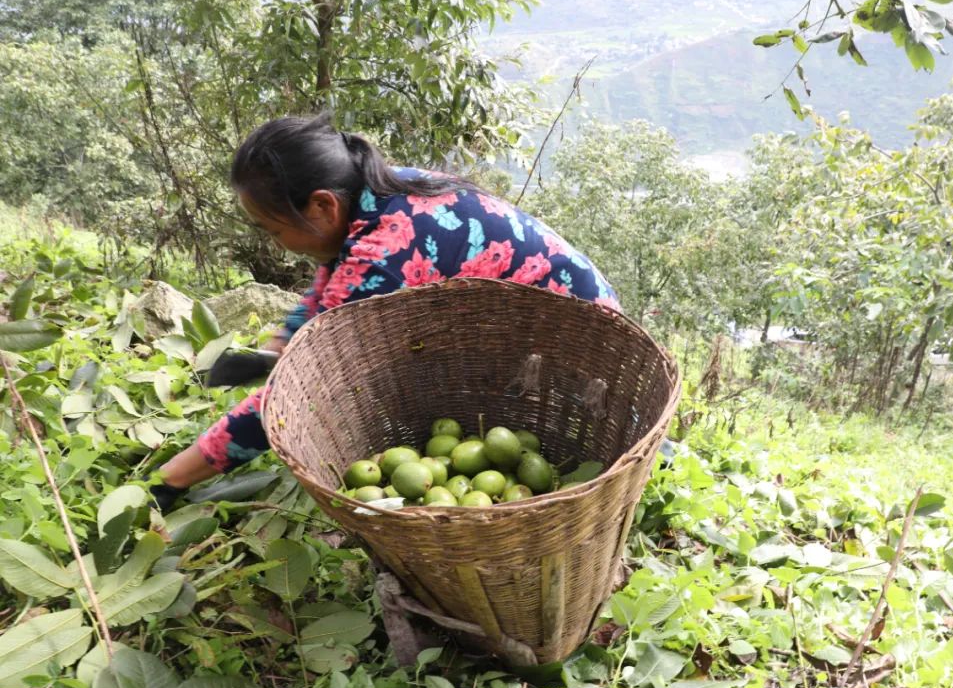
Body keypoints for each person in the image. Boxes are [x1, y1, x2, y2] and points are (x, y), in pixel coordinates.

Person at [146, 114, 620, 511]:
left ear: (322, 206)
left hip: (583, 346)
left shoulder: (388, 250)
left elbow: (294, 399)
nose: (278, 244)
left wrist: (175, 478)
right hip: (546, 315)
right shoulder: (373, 189)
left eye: (273, 231)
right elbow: (333, 279)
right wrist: (280, 345)